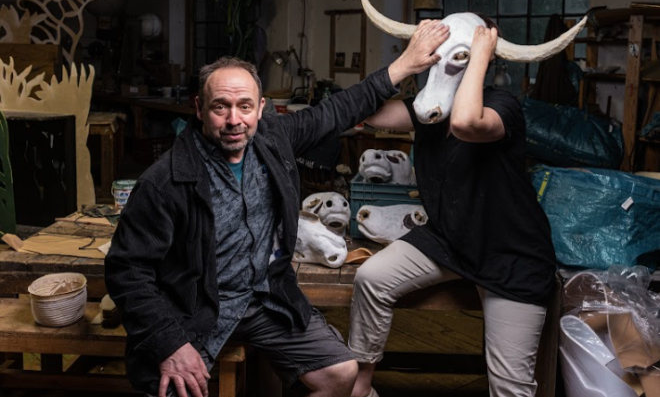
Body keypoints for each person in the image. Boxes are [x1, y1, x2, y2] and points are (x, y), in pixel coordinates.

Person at [104, 20, 450, 397]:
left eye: (244, 106)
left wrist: (402, 66)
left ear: (261, 109)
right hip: (194, 311)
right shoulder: (165, 181)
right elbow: (127, 270)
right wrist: (169, 344)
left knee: (341, 374)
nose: (234, 120)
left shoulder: (274, 138)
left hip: (264, 301)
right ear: (199, 109)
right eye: (220, 107)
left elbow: (337, 111)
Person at [348, 26, 557, 397]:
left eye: (458, 55)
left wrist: (480, 55)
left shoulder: (503, 105)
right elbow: (368, 112)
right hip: (448, 239)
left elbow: (466, 123)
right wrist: (405, 63)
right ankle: (360, 387)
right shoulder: (429, 110)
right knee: (371, 278)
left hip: (510, 255)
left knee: (510, 389)